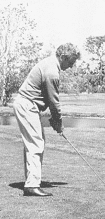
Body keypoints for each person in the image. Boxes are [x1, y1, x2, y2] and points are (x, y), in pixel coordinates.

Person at [13, 43, 81, 196]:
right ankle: (31, 185)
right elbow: (54, 102)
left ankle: (31, 181)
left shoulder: (50, 64)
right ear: (63, 57)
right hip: (27, 105)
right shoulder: (52, 72)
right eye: (70, 62)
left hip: (28, 105)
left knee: (36, 142)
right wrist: (58, 122)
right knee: (36, 143)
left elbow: (49, 101)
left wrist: (54, 120)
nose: (71, 66)